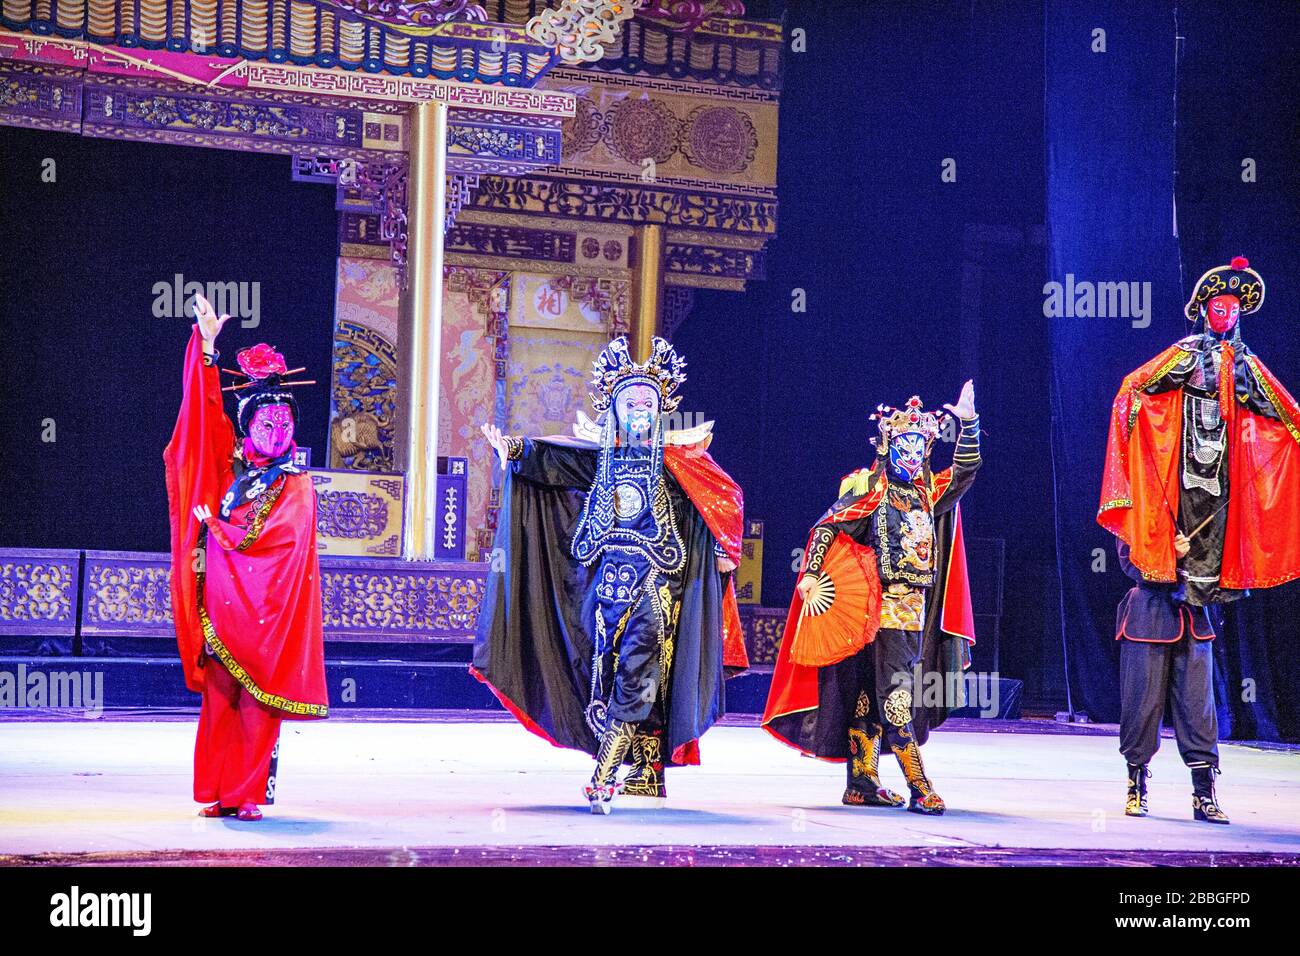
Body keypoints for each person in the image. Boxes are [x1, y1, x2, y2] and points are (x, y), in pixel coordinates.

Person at [472, 335, 747, 814]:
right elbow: (552, 462)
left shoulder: (677, 462)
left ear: (661, 411)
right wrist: (515, 449)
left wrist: (726, 545)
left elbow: (723, 494)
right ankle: (642, 763)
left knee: (639, 667)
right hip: (603, 585)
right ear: (615, 410)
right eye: (630, 402)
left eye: (648, 403)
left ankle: (602, 779)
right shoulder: (600, 457)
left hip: (656, 582)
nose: (639, 410)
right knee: (603, 671)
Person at [1099, 256, 1300, 823]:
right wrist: (1156, 552)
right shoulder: (1182, 363)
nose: (1225, 312)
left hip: (1204, 585)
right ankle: (1136, 783)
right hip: (1153, 592)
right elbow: (1133, 390)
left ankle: (1204, 791)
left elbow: (1285, 415)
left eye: (1233, 308)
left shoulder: (1247, 369)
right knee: (1141, 701)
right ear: (1203, 312)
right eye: (1217, 305)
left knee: (1198, 702)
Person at [763, 384, 980, 814]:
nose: (913, 452)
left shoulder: (928, 494)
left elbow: (964, 473)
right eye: (905, 443)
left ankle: (862, 783)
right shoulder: (870, 493)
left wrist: (969, 424)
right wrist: (809, 574)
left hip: (913, 610)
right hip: (878, 611)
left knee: (867, 694)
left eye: (921, 444)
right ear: (887, 445)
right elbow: (827, 526)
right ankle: (921, 787)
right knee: (896, 695)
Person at [164, 293, 327, 822]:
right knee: (218, 702)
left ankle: (247, 794)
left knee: (259, 708)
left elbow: (281, 541)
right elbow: (203, 418)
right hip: (220, 607)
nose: (277, 431)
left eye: (284, 423)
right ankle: (216, 790)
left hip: (265, 617)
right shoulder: (230, 468)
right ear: (248, 427)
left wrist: (219, 530)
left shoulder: (297, 485)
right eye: (265, 423)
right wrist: (208, 349)